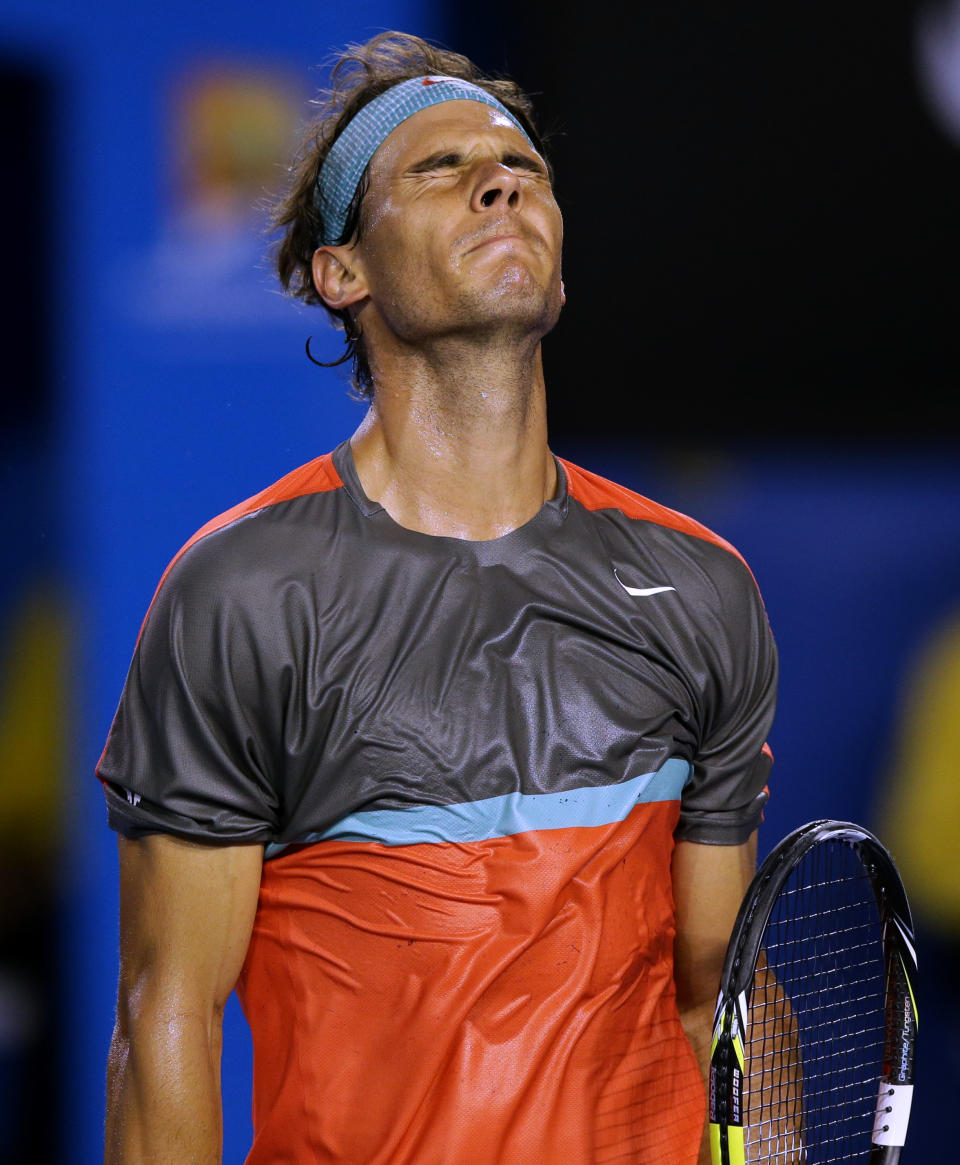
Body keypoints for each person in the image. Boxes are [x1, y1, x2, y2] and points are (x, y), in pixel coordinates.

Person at [98, 30, 778, 1165]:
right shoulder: (245, 593)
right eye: (438, 168)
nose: (500, 178)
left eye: (523, 168)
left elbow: (723, 997)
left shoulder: (699, 586)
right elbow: (165, 1016)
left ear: (558, 267)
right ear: (342, 270)